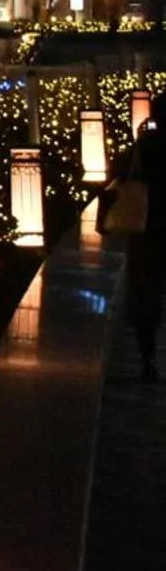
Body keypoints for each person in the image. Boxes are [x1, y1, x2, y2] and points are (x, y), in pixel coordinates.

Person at [121, 118, 166, 381]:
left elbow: (119, 178)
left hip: (146, 233)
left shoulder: (143, 148)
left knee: (146, 301)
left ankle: (147, 358)